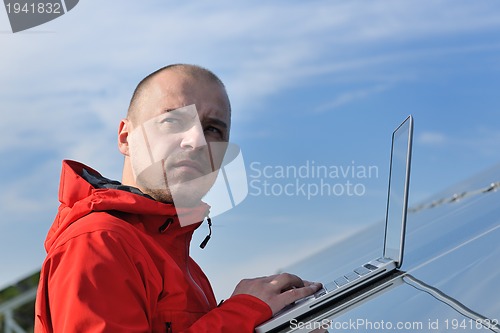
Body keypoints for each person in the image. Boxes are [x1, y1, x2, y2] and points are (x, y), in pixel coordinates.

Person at [34, 64, 321, 332]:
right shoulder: (98, 242)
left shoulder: (174, 256)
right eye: (173, 121)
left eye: (212, 129)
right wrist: (243, 313)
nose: (196, 141)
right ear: (125, 138)